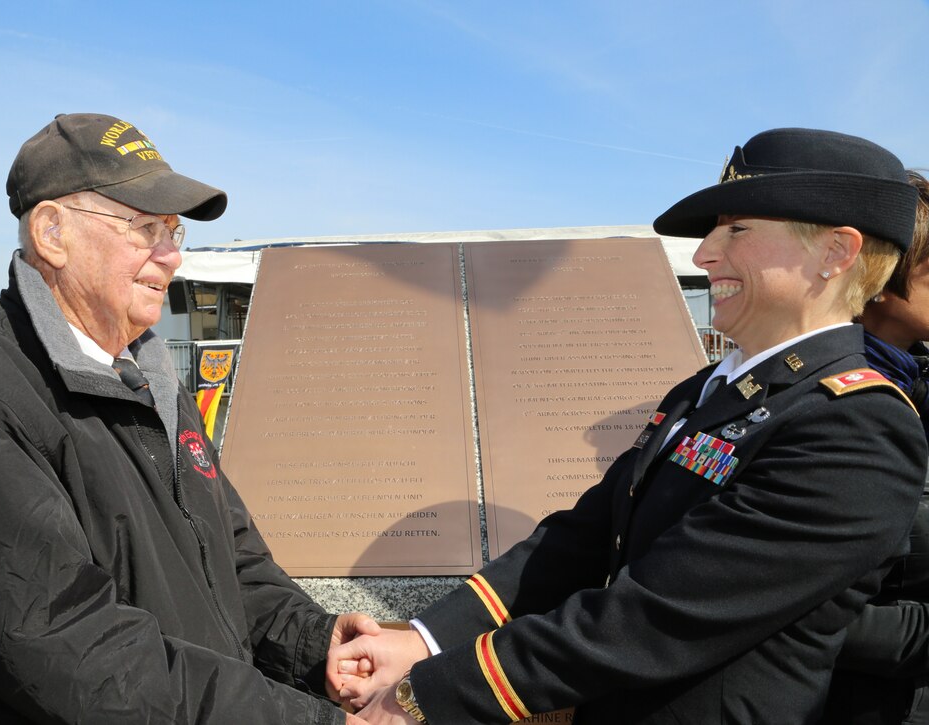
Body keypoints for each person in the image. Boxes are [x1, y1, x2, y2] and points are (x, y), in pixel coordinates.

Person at [329, 128, 928, 724]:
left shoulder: (857, 426)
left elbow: (659, 616)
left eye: (737, 229)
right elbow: (583, 536)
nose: (704, 254)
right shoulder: (709, 388)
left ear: (836, 253)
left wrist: (426, 696)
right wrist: (425, 638)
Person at [0, 113, 378, 724]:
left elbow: (230, 562)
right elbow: (76, 652)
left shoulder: (147, 380)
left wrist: (314, 644)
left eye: (173, 231)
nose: (170, 257)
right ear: (52, 233)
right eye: (142, 228)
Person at [823, 170, 929, 725]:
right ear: (883, 280)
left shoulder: (917, 381)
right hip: (847, 699)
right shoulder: (820, 405)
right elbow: (768, 602)